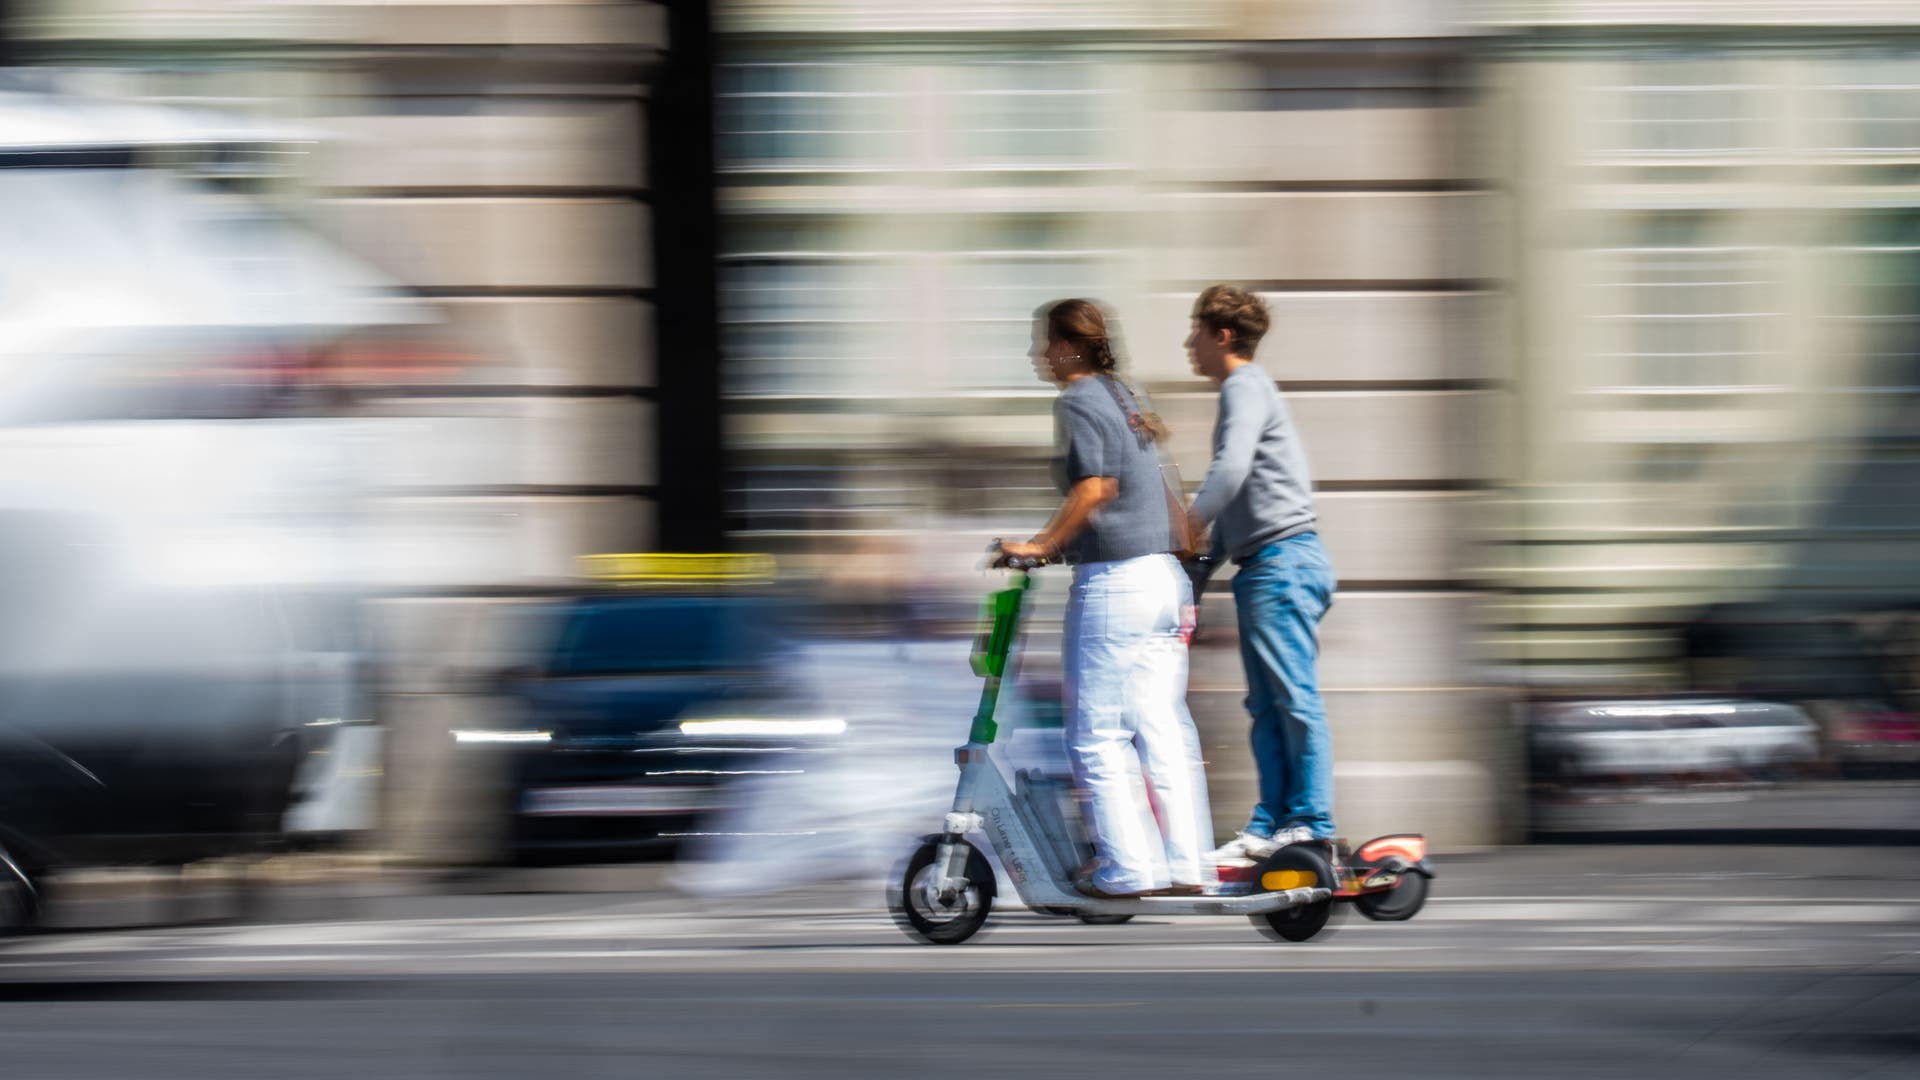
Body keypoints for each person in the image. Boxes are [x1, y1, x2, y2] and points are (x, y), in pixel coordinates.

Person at [995, 299, 1214, 898]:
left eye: (1045, 343)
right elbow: (1161, 486)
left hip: (1117, 584)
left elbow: (1096, 486)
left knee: (1096, 732)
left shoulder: (1079, 399)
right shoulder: (1127, 395)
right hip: (1163, 579)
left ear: (1070, 346)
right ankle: (1190, 864)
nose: (1039, 355)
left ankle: (1130, 868)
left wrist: (1041, 546)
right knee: (1163, 727)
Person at [1181, 283, 1339, 865]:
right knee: (1266, 705)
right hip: (1267, 564)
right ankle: (1274, 821)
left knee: (1293, 700)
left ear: (1221, 335)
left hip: (1283, 562)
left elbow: (1230, 471)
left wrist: (1188, 522)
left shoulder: (1244, 385)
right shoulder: (1246, 390)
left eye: (1195, 331)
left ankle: (1311, 822)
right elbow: (1239, 498)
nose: (1187, 344)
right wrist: (1196, 568)